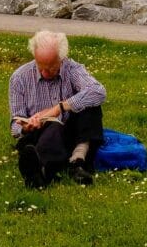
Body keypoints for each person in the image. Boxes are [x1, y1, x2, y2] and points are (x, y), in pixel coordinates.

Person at [8, 30, 106, 187]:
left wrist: (58, 108)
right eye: (41, 67)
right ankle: (41, 170)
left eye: (51, 67)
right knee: (52, 128)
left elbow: (98, 91)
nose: (45, 73)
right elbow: (14, 125)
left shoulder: (72, 69)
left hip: (71, 134)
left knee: (90, 105)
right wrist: (26, 127)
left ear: (62, 59)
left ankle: (77, 162)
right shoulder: (20, 77)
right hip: (38, 136)